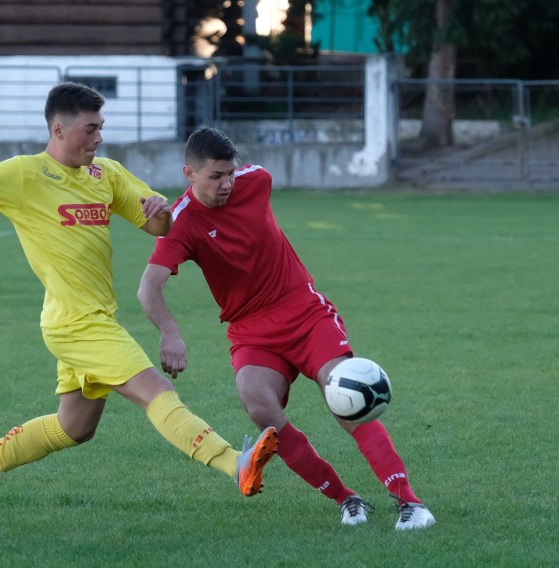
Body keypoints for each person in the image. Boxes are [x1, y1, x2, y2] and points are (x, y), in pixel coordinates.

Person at [0, 84, 278, 517]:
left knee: (75, 428)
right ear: (58, 130)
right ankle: (231, 463)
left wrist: (159, 214)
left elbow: (157, 227)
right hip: (76, 324)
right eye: (90, 129)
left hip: (89, 317)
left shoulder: (108, 174)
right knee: (156, 391)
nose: (99, 137)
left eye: (101, 127)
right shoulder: (23, 175)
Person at [137, 127, 435, 530]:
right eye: (215, 176)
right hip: (250, 331)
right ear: (189, 173)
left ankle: (410, 502)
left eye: (230, 173)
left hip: (304, 312)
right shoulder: (182, 222)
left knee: (343, 395)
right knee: (258, 404)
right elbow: (148, 287)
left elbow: (247, 184)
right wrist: (169, 331)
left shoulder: (256, 180)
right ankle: (346, 499)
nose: (226, 184)